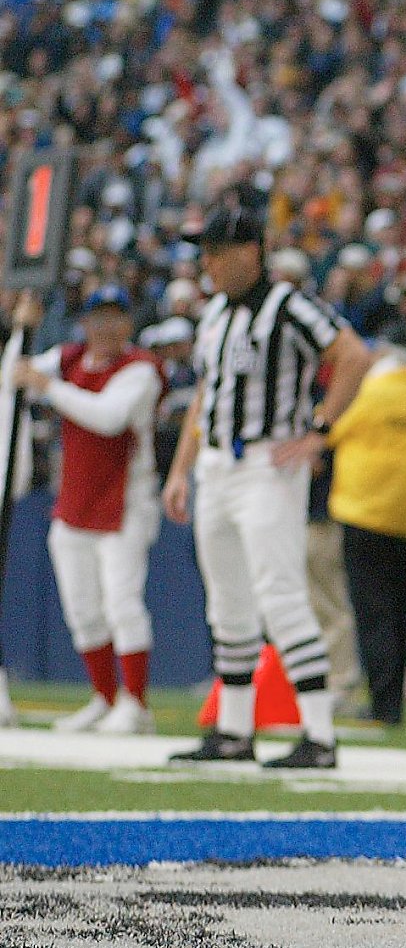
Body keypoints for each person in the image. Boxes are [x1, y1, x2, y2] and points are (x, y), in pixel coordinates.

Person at [162, 192, 374, 768]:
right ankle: (234, 730)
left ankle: (320, 735)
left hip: (267, 464)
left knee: (280, 594)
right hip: (218, 465)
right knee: (227, 602)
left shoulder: (288, 304)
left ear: (250, 252)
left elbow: (353, 356)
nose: (207, 262)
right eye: (204, 252)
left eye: (217, 251)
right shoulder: (214, 314)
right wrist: (181, 468)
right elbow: (205, 395)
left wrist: (318, 430)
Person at [9, 287, 162, 734]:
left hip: (125, 501)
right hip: (74, 499)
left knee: (122, 601)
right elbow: (12, 375)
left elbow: (108, 417)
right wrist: (23, 328)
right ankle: (104, 696)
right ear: (85, 323)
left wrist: (49, 387)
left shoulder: (140, 370)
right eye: (99, 318)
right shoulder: (69, 357)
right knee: (83, 607)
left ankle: (136, 702)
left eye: (116, 318)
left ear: (128, 325)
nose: (106, 327)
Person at [325, 346, 406, 726]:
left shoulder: (372, 392)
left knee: (372, 613)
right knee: (401, 612)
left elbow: (334, 432)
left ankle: (381, 703)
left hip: (367, 511)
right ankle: (393, 701)